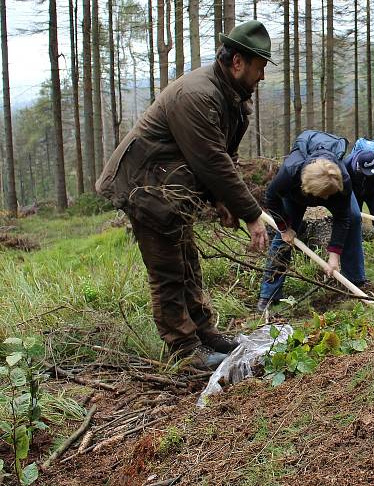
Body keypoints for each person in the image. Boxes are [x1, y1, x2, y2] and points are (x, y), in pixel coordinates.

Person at [96, 20, 272, 369]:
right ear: (238, 62)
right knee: (168, 269)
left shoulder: (231, 98)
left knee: (188, 261)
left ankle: (204, 333)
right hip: (145, 186)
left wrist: (221, 200)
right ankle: (183, 349)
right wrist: (251, 214)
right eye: (259, 67)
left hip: (172, 187)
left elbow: (222, 155)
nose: (262, 76)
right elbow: (211, 161)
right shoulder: (197, 95)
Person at [258, 130, 367, 312]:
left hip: (332, 190)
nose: (323, 202)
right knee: (282, 239)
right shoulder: (289, 172)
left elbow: (342, 218)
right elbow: (271, 198)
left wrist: (334, 255)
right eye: (321, 197)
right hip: (296, 195)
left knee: (354, 218)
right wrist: (285, 228)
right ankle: (269, 295)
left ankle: (354, 280)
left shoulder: (342, 180)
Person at [345, 139, 374, 232]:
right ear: (359, 168)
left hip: (372, 193)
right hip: (354, 192)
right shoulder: (347, 166)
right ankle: (356, 238)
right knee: (355, 218)